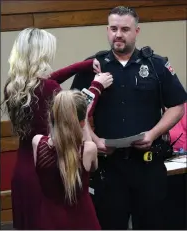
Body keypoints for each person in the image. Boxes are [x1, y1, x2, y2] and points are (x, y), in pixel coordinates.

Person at [71, 6, 187, 230]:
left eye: (125, 29)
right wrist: (93, 139)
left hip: (147, 165)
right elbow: (74, 111)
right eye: (113, 28)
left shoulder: (156, 65)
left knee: (152, 224)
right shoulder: (93, 66)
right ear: (107, 30)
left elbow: (177, 106)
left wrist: (152, 134)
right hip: (109, 167)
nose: (118, 34)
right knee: (111, 224)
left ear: (137, 31)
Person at [2, 27, 113, 229]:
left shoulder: (13, 86)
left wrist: (82, 66)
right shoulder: (49, 89)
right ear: (41, 54)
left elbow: (49, 80)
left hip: (22, 172)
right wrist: (97, 86)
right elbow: (77, 114)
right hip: (46, 172)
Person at [32, 90, 101, 229]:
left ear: (52, 116)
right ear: (82, 123)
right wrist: (85, 121)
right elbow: (93, 167)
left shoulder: (37, 143)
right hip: (83, 220)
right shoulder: (88, 149)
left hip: (49, 219)